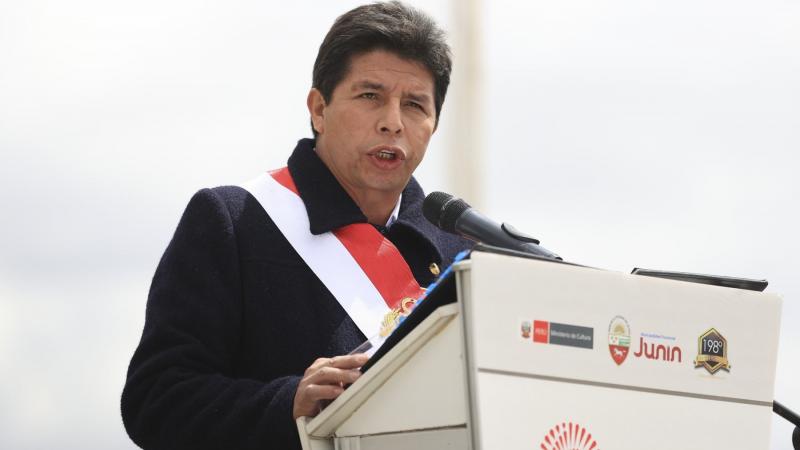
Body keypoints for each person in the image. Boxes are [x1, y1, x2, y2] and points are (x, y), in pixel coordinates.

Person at [121, 2, 472, 449]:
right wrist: (288, 403)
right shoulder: (236, 221)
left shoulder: (461, 250)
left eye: (415, 104)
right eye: (370, 96)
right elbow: (156, 400)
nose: (392, 123)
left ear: (434, 124)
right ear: (319, 108)